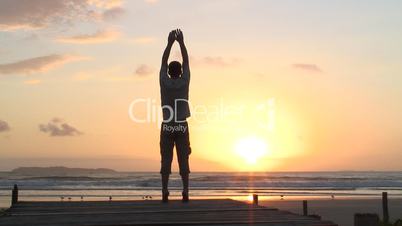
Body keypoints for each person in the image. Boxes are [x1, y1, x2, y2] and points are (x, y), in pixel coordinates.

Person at [159, 29, 191, 203]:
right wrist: (181, 42)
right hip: (181, 124)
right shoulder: (184, 81)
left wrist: (170, 43)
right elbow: (187, 62)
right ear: (179, 72)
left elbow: (163, 62)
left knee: (166, 159)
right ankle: (185, 190)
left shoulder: (164, 81)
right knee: (183, 158)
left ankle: (165, 190)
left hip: (167, 124)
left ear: (169, 72)